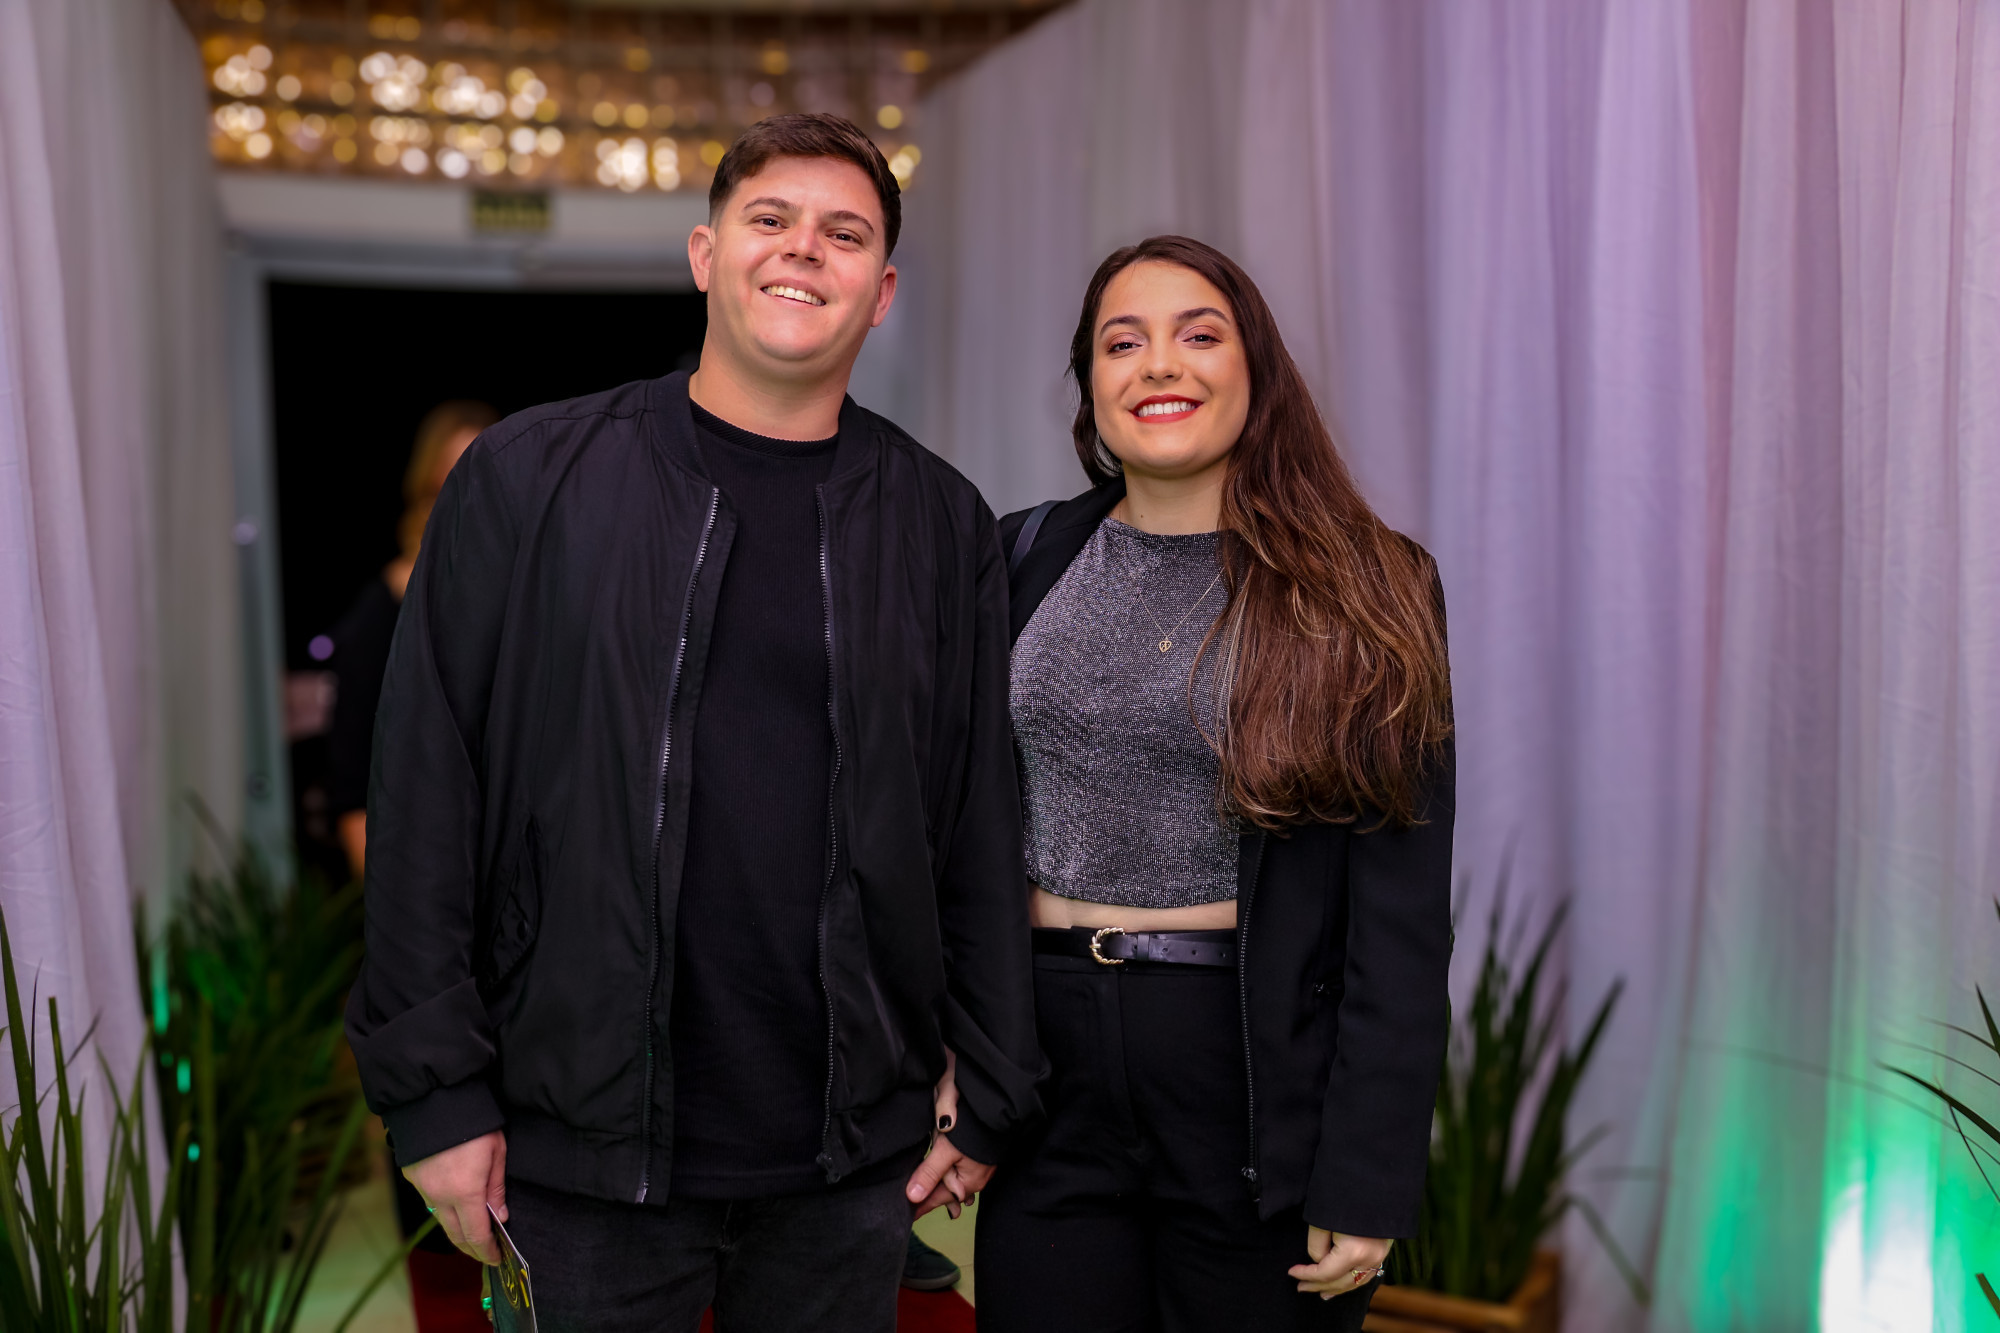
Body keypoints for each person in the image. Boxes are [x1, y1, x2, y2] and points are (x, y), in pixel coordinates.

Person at [344, 113, 1040, 1333]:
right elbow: (423, 791)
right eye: (770, 219)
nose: (802, 249)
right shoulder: (527, 479)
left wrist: (985, 1075)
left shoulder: (939, 523)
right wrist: (436, 1095)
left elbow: (975, 817)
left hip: (845, 1164)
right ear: (705, 255)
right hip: (575, 1147)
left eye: (843, 235)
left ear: (879, 294)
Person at [977, 236, 1455, 1332]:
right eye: (1122, 343)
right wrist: (966, 1067)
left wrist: (1367, 1177)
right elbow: (952, 834)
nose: (1159, 364)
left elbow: (1401, 913)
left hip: (1249, 1068)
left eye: (1198, 335)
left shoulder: (1369, 585)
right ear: (1089, 383)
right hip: (1047, 1070)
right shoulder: (1015, 556)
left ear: (1256, 367)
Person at [326, 399, 498, 883]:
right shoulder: (387, 607)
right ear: (429, 486)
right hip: (424, 871)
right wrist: (383, 892)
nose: (474, 493)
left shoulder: (525, 601)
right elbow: (352, 778)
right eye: (455, 474)